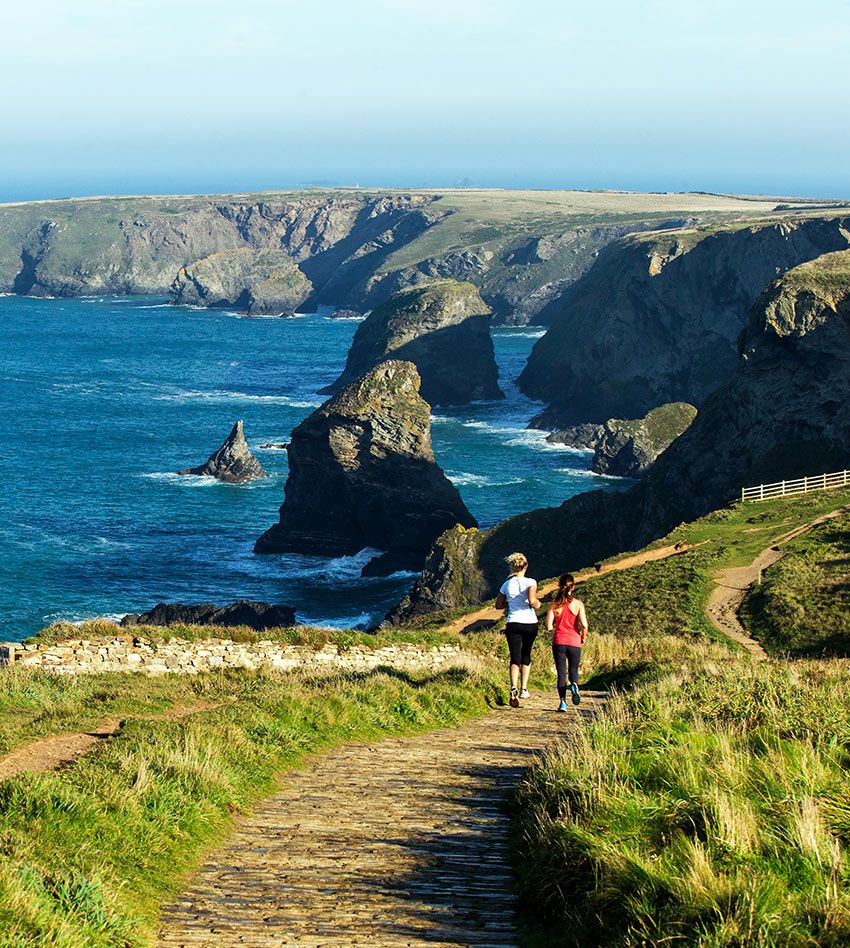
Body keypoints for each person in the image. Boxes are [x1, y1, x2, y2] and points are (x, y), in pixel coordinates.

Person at [495, 552, 540, 708]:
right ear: (526, 566)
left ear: (512, 567)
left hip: (513, 622)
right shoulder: (531, 582)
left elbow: (498, 605)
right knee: (526, 655)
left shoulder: (507, 584)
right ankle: (524, 689)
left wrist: (510, 603)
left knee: (515, 658)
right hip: (529, 623)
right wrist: (538, 604)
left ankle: (513, 686)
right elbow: (533, 600)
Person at [546, 573, 588, 711]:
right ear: (573, 586)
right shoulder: (578, 604)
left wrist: (555, 626)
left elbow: (548, 626)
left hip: (559, 641)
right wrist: (583, 636)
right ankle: (574, 684)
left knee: (561, 673)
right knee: (573, 669)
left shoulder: (554, 604)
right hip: (574, 641)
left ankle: (563, 702)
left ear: (559, 586)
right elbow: (585, 625)